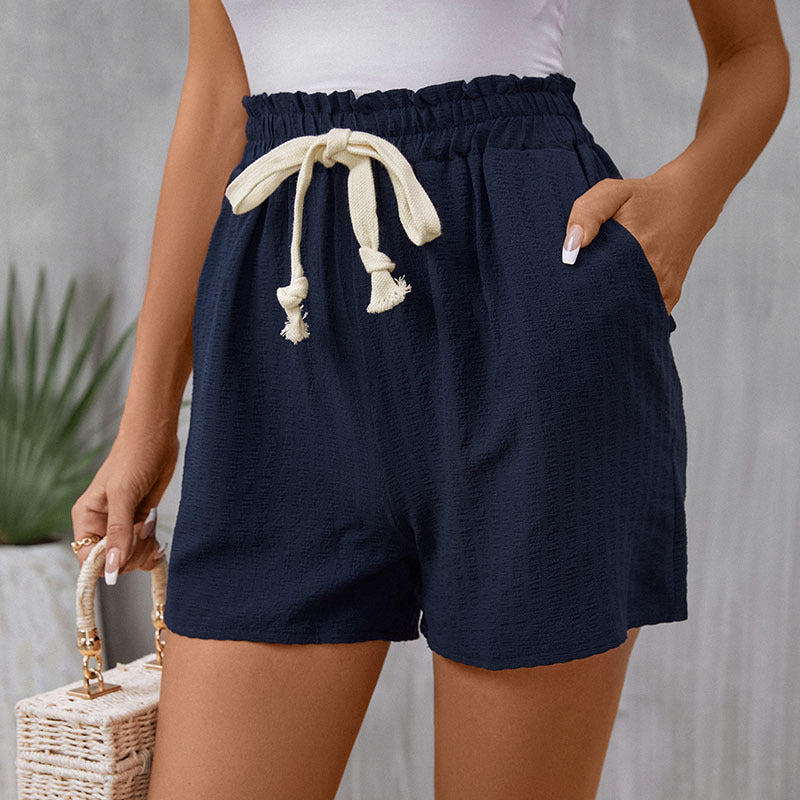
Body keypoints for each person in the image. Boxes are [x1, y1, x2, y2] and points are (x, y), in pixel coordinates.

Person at [70, 0, 790, 797]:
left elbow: (752, 53)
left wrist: (681, 210)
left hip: (525, 306)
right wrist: (146, 423)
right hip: (285, 337)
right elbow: (217, 94)